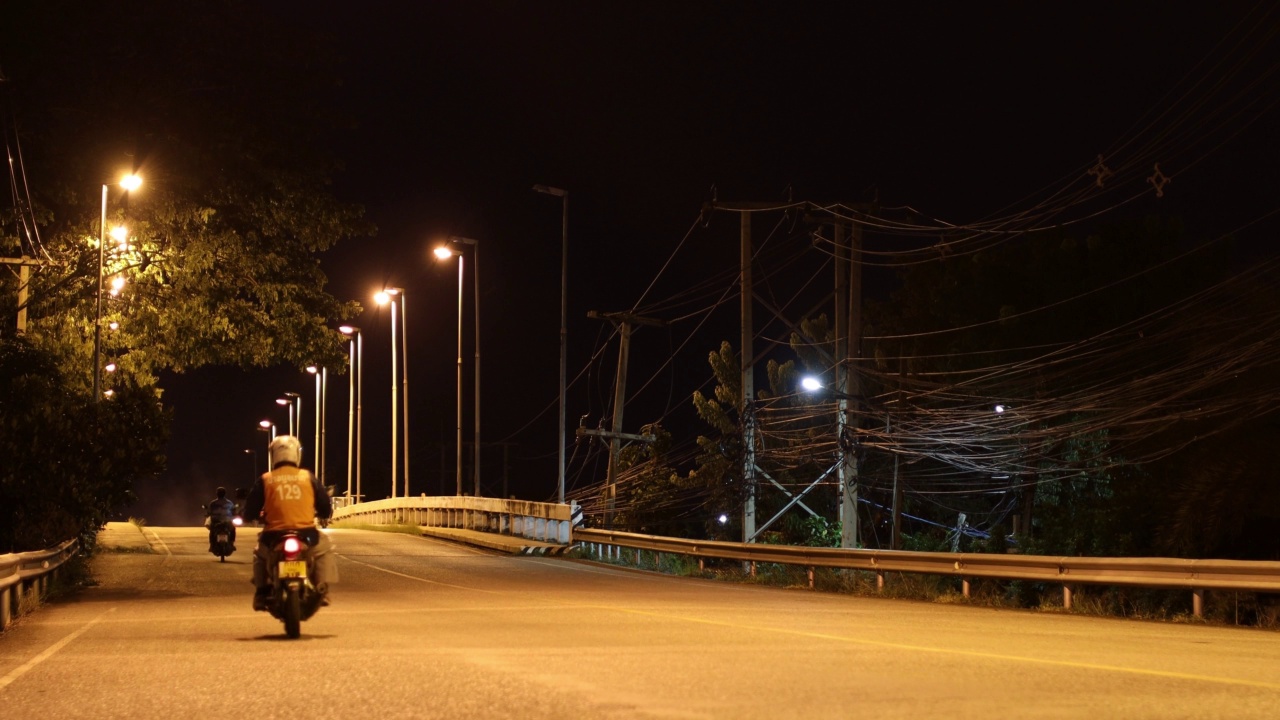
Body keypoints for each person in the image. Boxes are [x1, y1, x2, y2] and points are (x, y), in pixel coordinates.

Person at [242, 435, 335, 611]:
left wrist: (250, 516)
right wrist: (324, 514)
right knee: (324, 550)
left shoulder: (266, 479)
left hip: (273, 535)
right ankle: (322, 586)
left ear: (273, 455)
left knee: (259, 555)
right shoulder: (307, 477)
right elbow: (324, 504)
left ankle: (261, 593)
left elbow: (251, 509)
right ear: (296, 455)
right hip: (306, 533)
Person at [205, 486, 238, 552]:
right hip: (226, 521)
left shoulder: (213, 503)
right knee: (233, 529)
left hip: (216, 521)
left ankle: (212, 545)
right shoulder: (229, 503)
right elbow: (233, 511)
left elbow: (209, 512)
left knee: (212, 531)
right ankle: (231, 543)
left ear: (217, 494)